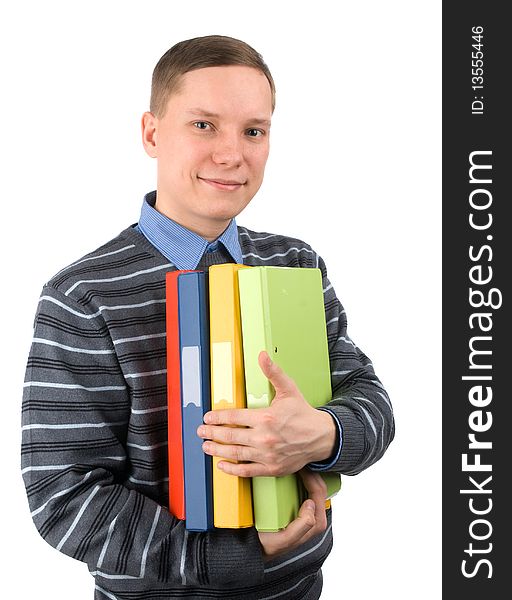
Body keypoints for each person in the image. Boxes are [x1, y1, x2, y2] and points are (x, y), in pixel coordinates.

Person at [21, 35, 395, 600]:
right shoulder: (82, 296)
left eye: (254, 130)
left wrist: (324, 432)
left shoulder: (295, 263)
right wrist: (226, 557)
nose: (231, 154)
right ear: (152, 132)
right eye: (203, 125)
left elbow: (370, 401)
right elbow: (62, 496)